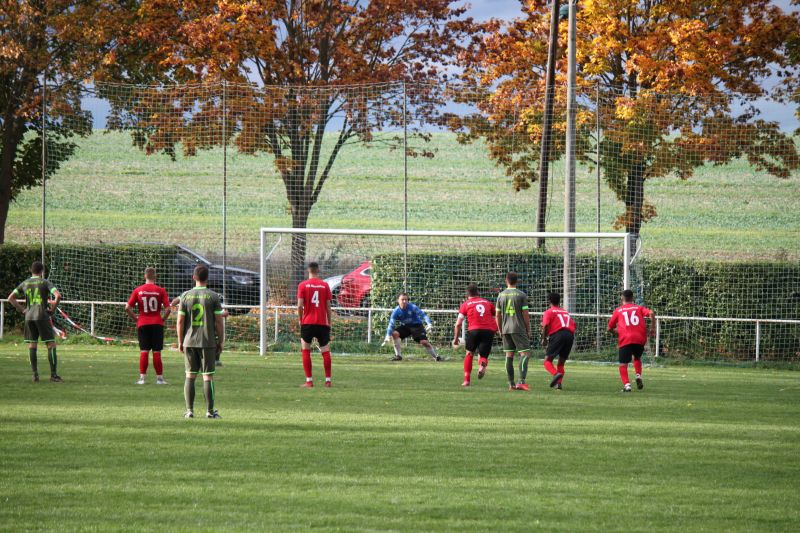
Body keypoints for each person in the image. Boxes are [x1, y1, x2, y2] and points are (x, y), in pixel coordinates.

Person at [176, 265, 224, 418]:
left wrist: (180, 341)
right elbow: (218, 322)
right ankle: (210, 412)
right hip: (208, 341)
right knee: (207, 376)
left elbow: (180, 321)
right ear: (207, 278)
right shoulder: (214, 296)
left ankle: (189, 411)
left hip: (189, 341)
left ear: (193, 277)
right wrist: (221, 341)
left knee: (190, 375)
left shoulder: (185, 296)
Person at [7, 261, 62, 383]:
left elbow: (10, 298)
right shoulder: (45, 282)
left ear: (30, 270)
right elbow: (58, 296)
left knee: (32, 345)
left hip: (29, 316)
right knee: (51, 344)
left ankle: (35, 375)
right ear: (42, 271)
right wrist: (52, 310)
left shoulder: (25, 283)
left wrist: (22, 310)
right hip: (42, 315)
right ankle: (53, 375)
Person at [126, 267, 171, 385]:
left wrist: (136, 319)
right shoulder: (161, 290)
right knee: (157, 352)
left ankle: (142, 379)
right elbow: (168, 309)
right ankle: (160, 379)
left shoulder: (138, 290)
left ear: (144, 276)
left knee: (144, 351)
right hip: (157, 323)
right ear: (155, 276)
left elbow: (127, 307)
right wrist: (162, 319)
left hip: (143, 323)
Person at [608, 289, 655, 392]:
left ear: (622, 298)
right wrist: (652, 328)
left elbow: (610, 327)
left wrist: (615, 332)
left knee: (623, 364)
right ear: (632, 298)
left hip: (625, 338)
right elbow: (651, 313)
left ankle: (627, 385)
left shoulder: (618, 310)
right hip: (639, 338)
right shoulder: (639, 308)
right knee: (637, 357)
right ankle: (638, 375)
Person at [296, 262, 333, 388]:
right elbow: (328, 306)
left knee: (305, 350)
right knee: (325, 351)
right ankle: (328, 381)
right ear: (318, 270)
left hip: (308, 322)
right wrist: (329, 321)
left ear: (308, 270)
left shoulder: (302, 285)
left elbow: (300, 305)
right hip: (322, 322)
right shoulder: (325, 285)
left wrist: (300, 319)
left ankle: (309, 381)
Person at [452, 283, 497, 387]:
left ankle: (467, 380)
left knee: (469, 354)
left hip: (474, 331)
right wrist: (497, 329)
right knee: (483, 355)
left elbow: (458, 324)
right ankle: (482, 364)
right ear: (478, 292)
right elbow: (497, 316)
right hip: (488, 331)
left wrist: (455, 339)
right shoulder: (487, 302)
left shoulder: (465, 304)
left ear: (467, 295)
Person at [495, 272, 531, 391]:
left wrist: (500, 329)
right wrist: (528, 330)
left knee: (509, 355)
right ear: (517, 281)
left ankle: (511, 384)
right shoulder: (521, 295)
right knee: (525, 354)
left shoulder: (501, 295)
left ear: (506, 280)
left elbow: (497, 315)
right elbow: (525, 315)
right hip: (518, 328)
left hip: (505, 329)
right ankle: (521, 382)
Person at [382, 293, 440, 361]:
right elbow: (391, 324)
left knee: (424, 342)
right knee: (394, 333)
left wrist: (429, 323)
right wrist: (387, 336)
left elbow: (423, 315)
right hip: (406, 326)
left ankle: (436, 357)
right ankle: (398, 356)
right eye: (402, 299)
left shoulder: (412, 307)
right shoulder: (396, 311)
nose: (404, 301)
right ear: (398, 300)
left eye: (406, 299)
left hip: (417, 326)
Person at [540, 292, 576, 390]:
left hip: (558, 335)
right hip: (570, 335)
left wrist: (544, 339)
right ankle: (558, 384)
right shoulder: (565, 312)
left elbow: (546, 326)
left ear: (549, 301)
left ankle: (556, 374)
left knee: (547, 361)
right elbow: (573, 324)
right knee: (561, 363)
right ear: (559, 301)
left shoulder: (549, 312)